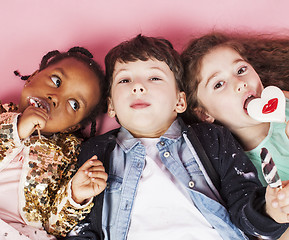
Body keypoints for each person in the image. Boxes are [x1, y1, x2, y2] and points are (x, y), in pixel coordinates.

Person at [65, 35, 289, 240]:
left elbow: (244, 204)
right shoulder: (96, 153)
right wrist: (76, 197)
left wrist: (271, 211)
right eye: (125, 81)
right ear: (111, 105)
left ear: (180, 102)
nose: (138, 88)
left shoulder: (212, 139)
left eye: (154, 78)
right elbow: (81, 229)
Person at [0, 47, 108, 240]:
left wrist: (75, 196)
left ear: (71, 127)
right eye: (56, 81)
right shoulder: (2, 113)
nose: (55, 98)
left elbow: (54, 225)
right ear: (32, 77)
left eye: (74, 104)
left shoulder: (68, 154)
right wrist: (17, 128)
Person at [180, 32, 289, 187]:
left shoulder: (284, 100)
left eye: (241, 70)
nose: (240, 83)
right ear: (204, 114)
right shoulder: (241, 169)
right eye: (219, 84)